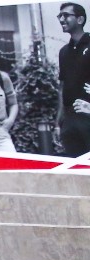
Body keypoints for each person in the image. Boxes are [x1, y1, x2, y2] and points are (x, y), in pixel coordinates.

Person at [58, 2, 90, 157]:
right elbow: (62, 85)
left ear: (80, 19)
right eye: (59, 16)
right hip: (70, 121)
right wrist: (60, 120)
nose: (61, 19)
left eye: (66, 15)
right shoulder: (63, 52)